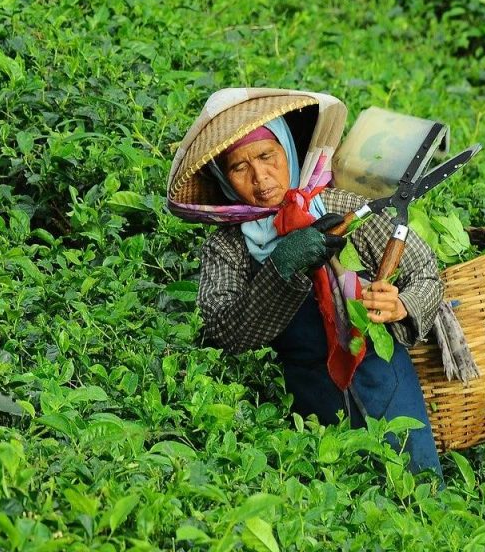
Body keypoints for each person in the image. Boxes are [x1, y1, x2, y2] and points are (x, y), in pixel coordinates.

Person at [166, 88, 444, 479]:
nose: (261, 178)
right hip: (311, 404)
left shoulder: (339, 206)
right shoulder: (228, 247)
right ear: (223, 178)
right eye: (239, 168)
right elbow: (221, 330)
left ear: (288, 151)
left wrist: (403, 304)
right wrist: (281, 266)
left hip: (389, 385)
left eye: (267, 156)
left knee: (420, 492)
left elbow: (425, 271)